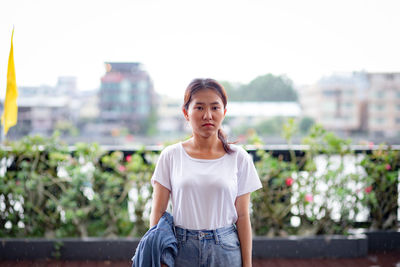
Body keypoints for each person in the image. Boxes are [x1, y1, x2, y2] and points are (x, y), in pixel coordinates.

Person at [150, 78, 262, 267]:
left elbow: (242, 216)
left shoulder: (239, 157)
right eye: (199, 108)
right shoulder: (170, 156)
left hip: (225, 250)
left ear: (224, 112)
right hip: (180, 249)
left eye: (215, 108)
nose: (208, 115)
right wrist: (157, 257)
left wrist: (247, 264)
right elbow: (158, 212)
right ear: (186, 112)